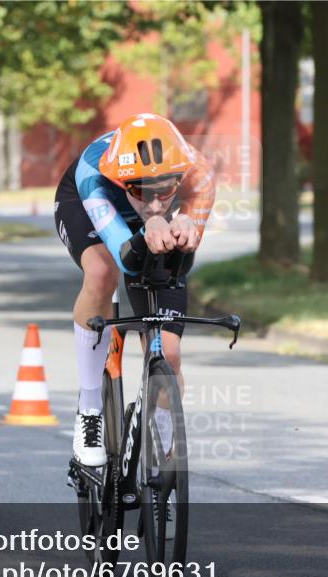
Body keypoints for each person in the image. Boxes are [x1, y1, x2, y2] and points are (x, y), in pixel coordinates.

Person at [54, 113, 216, 467]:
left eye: (166, 190)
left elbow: (180, 265)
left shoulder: (198, 173)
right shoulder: (94, 177)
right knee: (101, 271)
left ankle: (160, 456)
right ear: (124, 180)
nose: (156, 202)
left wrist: (186, 225)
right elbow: (127, 259)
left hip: (141, 213)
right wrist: (148, 228)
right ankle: (90, 409)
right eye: (143, 191)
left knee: (169, 356)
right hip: (93, 208)